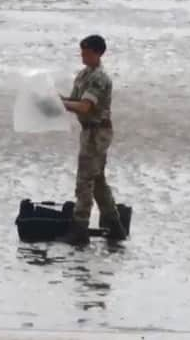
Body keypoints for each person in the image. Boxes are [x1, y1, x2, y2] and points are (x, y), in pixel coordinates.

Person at [59, 35, 127, 245]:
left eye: (86, 51)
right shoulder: (83, 75)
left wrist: (61, 104)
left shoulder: (99, 78)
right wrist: (55, 100)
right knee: (97, 181)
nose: (82, 55)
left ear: (97, 53)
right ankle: (115, 226)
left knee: (85, 181)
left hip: (98, 133)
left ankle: (80, 229)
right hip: (88, 131)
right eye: (82, 51)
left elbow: (85, 107)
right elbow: (74, 101)